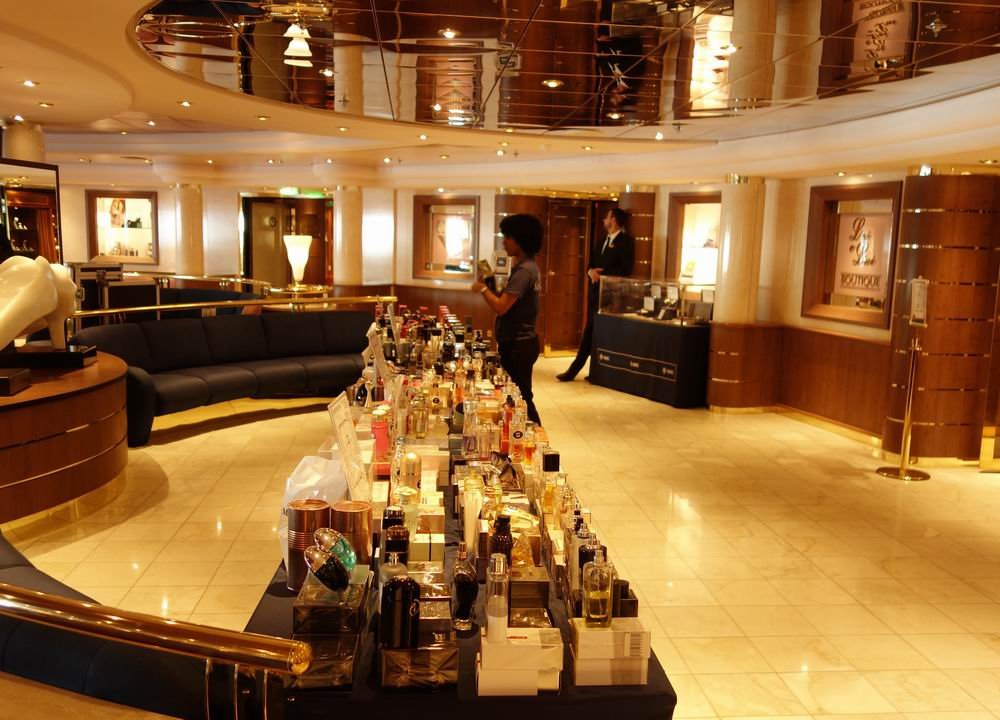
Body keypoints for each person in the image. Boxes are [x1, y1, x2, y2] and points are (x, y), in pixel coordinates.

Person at [472, 213, 543, 426]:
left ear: (519, 239)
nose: (504, 242)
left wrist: (482, 289)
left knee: (521, 397)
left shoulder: (524, 271)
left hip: (518, 344)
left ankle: (538, 436)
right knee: (520, 394)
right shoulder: (527, 267)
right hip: (521, 342)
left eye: (507, 237)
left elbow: (501, 307)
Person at [557, 207, 634, 381]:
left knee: (594, 333)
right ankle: (592, 373)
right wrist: (590, 272)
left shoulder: (626, 242)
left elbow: (626, 270)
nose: (603, 220)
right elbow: (590, 265)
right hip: (595, 295)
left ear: (613, 219)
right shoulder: (602, 241)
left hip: (611, 298)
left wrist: (603, 274)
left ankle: (575, 371)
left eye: (607, 217)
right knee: (592, 333)